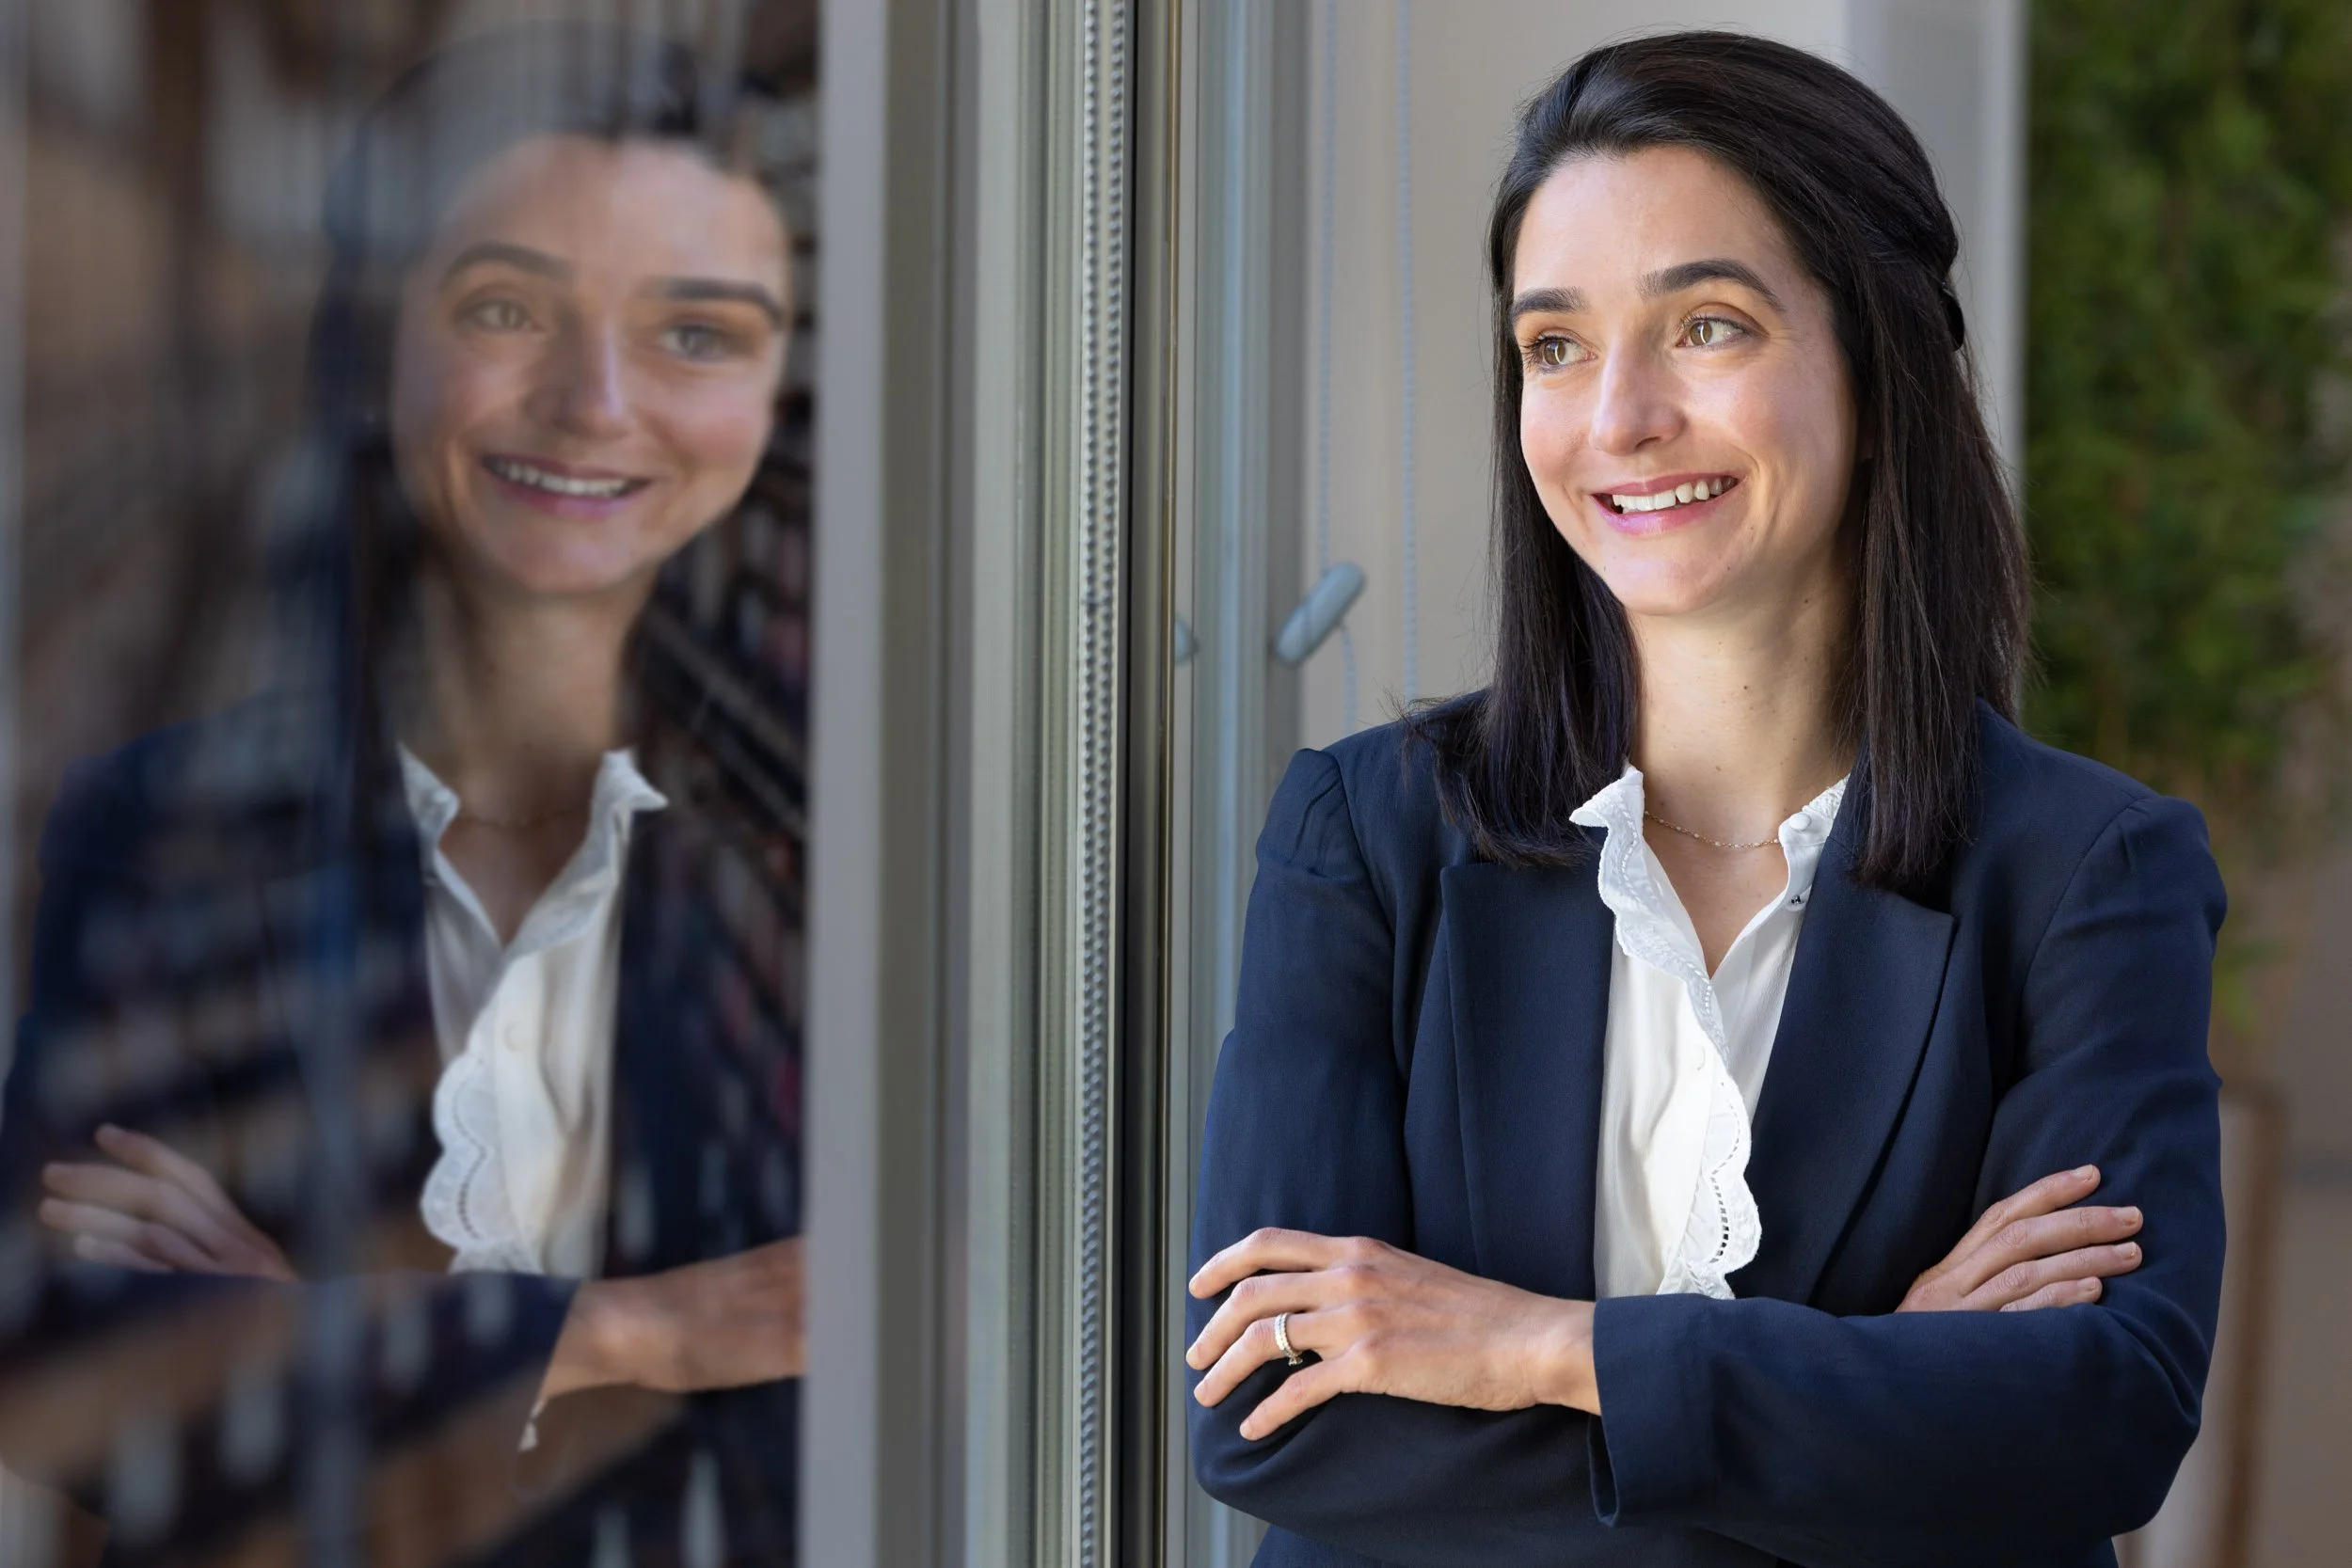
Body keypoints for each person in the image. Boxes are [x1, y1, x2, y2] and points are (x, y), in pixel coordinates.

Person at [1184, 31, 2224, 1568]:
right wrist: (1869, 1376)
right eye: (1555, 346)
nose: (1618, 419)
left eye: (1708, 327)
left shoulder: (2085, 871)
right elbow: (1271, 1413)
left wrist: (1544, 1349)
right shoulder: (1369, 838)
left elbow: (2101, 1417)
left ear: (1879, 361)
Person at [0, 25, 806, 1565]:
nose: (597, 399)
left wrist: (315, 1323)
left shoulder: (858, 858)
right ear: (377, 338)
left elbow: (915, 1364)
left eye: (697, 332)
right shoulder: (167, 826)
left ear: (778, 389)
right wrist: (644, 1329)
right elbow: (65, 1375)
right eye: (508, 305)